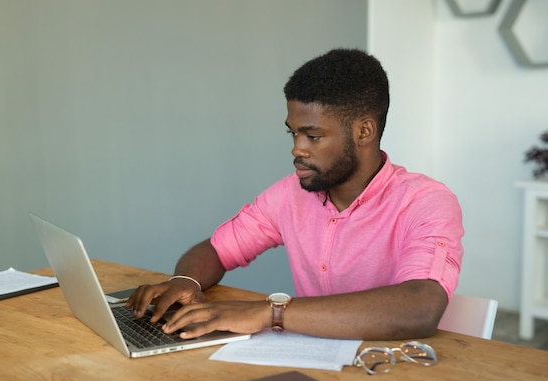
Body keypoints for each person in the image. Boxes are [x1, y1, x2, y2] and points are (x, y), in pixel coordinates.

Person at [127, 48, 464, 341]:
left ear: (364, 131)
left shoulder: (425, 202)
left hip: (399, 366)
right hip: (318, 366)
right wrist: (185, 281)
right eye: (293, 134)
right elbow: (216, 250)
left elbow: (420, 307)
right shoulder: (290, 193)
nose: (297, 150)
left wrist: (270, 313)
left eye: (313, 136)